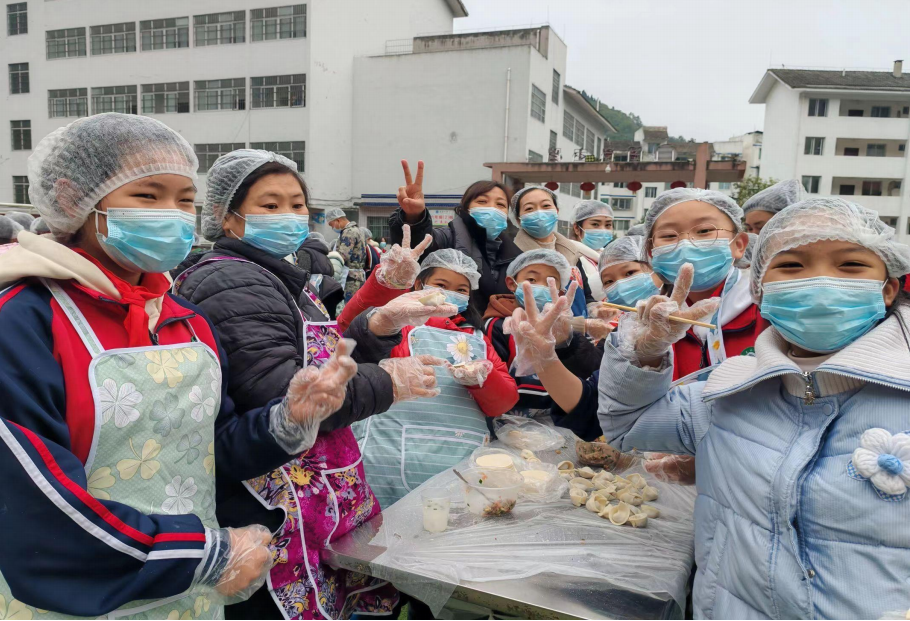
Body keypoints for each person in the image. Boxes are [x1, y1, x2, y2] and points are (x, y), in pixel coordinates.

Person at [0, 113, 356, 618]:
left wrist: (286, 421)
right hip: (76, 603)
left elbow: (210, 451)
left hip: (188, 599)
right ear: (71, 199)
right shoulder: (24, 321)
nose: (171, 213)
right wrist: (203, 556)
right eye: (148, 196)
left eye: (185, 199)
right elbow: (32, 507)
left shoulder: (184, 320)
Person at [598, 198, 910, 619]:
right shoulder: (728, 390)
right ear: (760, 291)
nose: (820, 281)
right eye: (792, 266)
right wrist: (643, 354)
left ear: (888, 288)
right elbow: (629, 425)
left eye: (851, 265)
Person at [175, 148, 432, 619]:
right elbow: (290, 397)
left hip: (314, 490)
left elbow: (323, 365)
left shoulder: (278, 275)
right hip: (271, 500)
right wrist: (386, 381)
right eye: (269, 205)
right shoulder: (231, 280)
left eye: (297, 205)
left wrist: (374, 329)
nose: (289, 216)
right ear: (226, 217)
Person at [345, 248, 519, 508]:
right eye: (441, 285)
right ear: (419, 285)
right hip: (387, 458)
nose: (450, 293)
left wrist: (481, 380)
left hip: (459, 464)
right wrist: (385, 287)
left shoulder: (477, 339)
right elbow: (350, 336)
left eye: (461, 289)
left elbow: (504, 402)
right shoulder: (394, 325)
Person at [643, 188, 764, 381]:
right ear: (651, 252)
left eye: (704, 231)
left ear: (739, 245)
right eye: (668, 236)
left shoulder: (768, 309)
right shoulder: (642, 319)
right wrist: (646, 354)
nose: (685, 244)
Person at [482, 249, 606, 432]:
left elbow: (583, 374)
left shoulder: (562, 327)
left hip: (560, 419)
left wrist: (566, 340)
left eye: (550, 282)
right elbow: (493, 381)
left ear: (561, 291)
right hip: (509, 422)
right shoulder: (499, 326)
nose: (540, 286)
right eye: (532, 279)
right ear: (511, 283)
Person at [388, 160, 521, 312]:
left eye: (500, 205)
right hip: (446, 323)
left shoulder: (515, 255)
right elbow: (421, 245)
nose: (492, 208)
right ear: (466, 207)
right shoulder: (447, 238)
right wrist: (415, 217)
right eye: (482, 201)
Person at [509, 186, 593, 316]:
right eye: (529, 208)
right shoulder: (513, 256)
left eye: (546, 206)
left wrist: (595, 309)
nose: (540, 213)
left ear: (557, 211)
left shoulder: (571, 252)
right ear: (519, 220)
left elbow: (587, 296)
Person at [597, 234, 661, 308]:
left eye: (629, 273)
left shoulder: (672, 306)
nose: (621, 287)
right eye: (609, 281)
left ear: (655, 267)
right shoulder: (606, 314)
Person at [571, 199, 614, 301]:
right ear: (577, 228)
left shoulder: (608, 255)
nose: (603, 230)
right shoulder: (570, 257)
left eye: (608, 225)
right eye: (595, 224)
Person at [326, 206, 367, 302]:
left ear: (338, 220)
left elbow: (342, 256)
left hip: (350, 277)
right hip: (357, 276)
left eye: (332, 225)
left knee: (347, 305)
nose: (332, 228)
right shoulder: (358, 230)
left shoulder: (348, 232)